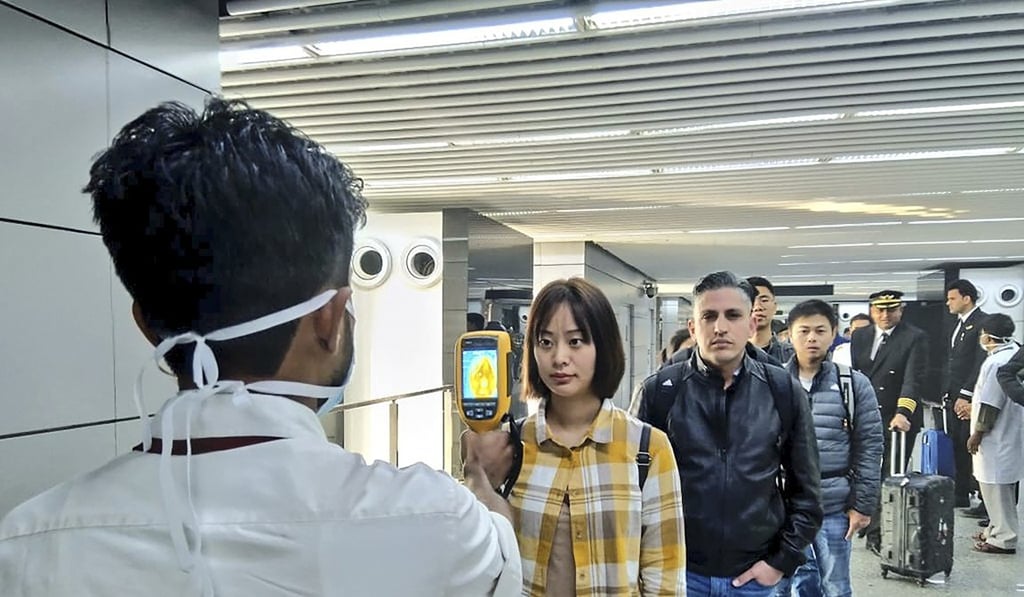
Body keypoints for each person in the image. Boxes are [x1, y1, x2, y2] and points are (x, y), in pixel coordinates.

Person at [0, 99, 522, 596]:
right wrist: (483, 481)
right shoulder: (436, 523)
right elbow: (500, 555)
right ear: (331, 320)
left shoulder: (26, 543)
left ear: (148, 328)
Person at [481, 277, 686, 596]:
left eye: (575, 341)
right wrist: (476, 478)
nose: (559, 357)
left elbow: (665, 575)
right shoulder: (510, 444)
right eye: (545, 342)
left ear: (602, 346)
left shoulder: (647, 448)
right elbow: (482, 559)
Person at [638, 271, 822, 597]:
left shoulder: (781, 390)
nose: (720, 327)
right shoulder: (660, 392)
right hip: (679, 573)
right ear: (694, 328)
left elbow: (806, 491)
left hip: (754, 577)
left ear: (751, 325)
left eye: (733, 315)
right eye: (709, 316)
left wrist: (780, 562)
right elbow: (632, 487)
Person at [774, 300, 884, 597]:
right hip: (783, 506)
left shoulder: (853, 384)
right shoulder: (773, 383)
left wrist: (862, 504)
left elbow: (870, 447)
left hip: (833, 505)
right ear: (789, 334)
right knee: (781, 584)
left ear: (833, 333)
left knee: (835, 585)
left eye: (820, 330)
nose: (812, 338)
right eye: (804, 331)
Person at [849, 289, 929, 554]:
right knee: (863, 472)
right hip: (864, 414)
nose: (885, 315)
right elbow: (855, 375)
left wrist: (903, 413)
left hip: (896, 416)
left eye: (891, 309)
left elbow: (913, 379)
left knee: (888, 476)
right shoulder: (860, 336)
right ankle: (866, 520)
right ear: (872, 311)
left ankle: (878, 534)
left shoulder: (914, 337)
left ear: (901, 310)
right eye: (880, 310)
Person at [966, 314, 1024, 555]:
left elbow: (991, 403)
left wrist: (977, 434)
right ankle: (995, 528)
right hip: (1010, 432)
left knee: (995, 487)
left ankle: (1003, 538)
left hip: (995, 435)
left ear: (988, 336)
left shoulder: (995, 363)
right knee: (1001, 487)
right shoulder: (1013, 353)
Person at [943, 279, 989, 511]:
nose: (948, 303)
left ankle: (983, 499)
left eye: (952, 298)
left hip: (970, 397)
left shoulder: (982, 323)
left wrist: (966, 393)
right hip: (954, 395)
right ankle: (961, 493)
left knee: (973, 447)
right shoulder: (960, 325)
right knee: (958, 445)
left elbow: (980, 363)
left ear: (966, 298)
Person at [748, 276, 795, 364]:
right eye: (751, 301)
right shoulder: (731, 356)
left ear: (775, 306)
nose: (758, 307)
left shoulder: (793, 355)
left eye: (764, 300)